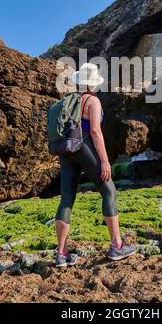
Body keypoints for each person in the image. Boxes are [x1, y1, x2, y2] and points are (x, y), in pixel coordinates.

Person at [55, 63, 136, 267]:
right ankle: (117, 245)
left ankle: (61, 253)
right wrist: (105, 160)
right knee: (109, 191)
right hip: (85, 147)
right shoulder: (93, 101)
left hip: (66, 150)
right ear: (93, 84)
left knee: (66, 199)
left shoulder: (67, 100)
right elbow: (95, 132)